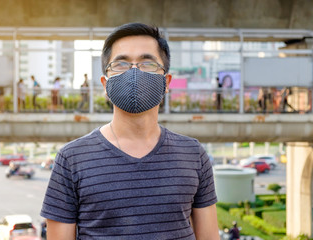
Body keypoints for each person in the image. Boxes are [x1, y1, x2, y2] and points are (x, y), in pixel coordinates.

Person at [41, 22, 219, 240]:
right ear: (106, 84)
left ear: (166, 82)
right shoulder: (71, 159)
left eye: (147, 63)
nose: (134, 72)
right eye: (121, 64)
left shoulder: (193, 154)